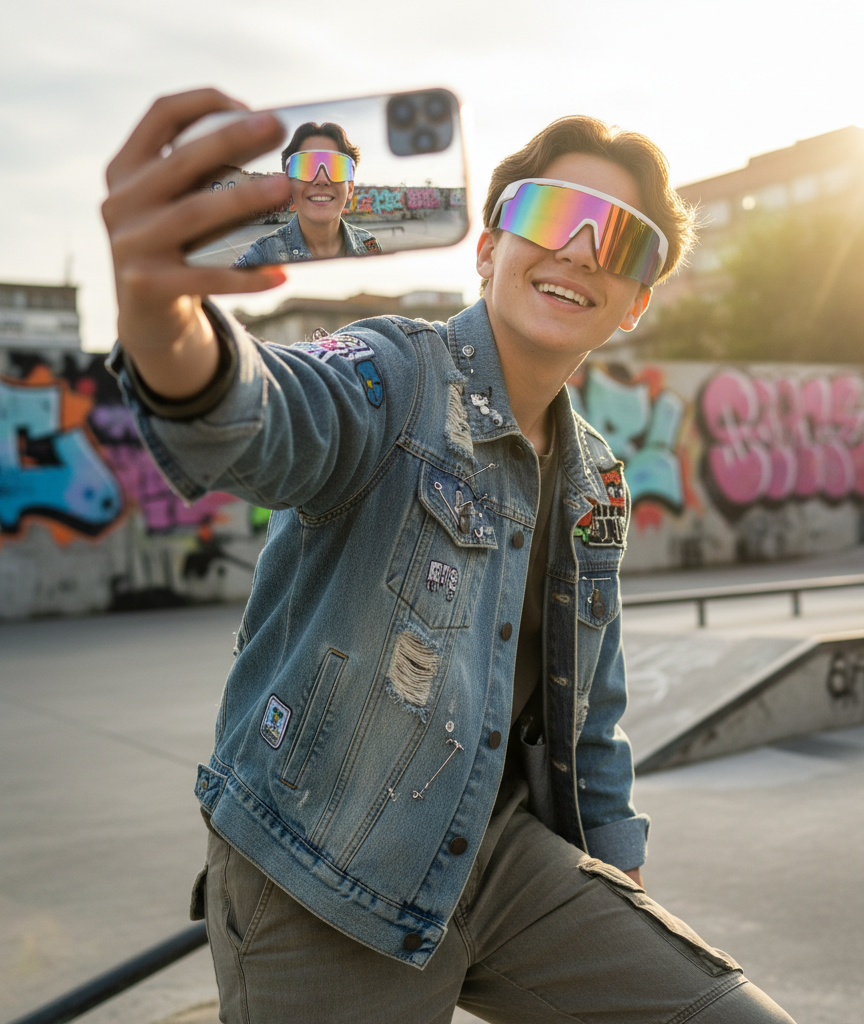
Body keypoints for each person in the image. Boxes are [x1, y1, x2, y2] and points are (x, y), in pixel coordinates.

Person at [102, 88, 796, 1023]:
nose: (582, 251)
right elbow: (265, 416)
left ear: (633, 303)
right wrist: (164, 320)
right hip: (323, 863)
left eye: (624, 243)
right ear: (486, 250)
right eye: (553, 215)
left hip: (501, 858)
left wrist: (616, 869)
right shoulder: (393, 372)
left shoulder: (596, 478)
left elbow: (593, 705)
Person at [233, 120, 380, 265]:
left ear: (350, 188)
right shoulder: (262, 257)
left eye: (337, 168)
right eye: (305, 167)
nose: (321, 180)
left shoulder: (369, 247)